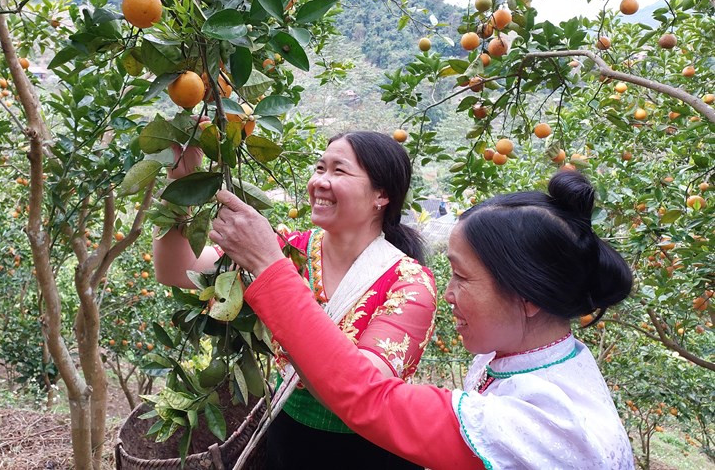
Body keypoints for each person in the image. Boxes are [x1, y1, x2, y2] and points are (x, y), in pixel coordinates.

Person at [210, 170, 635, 470]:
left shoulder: (542, 425)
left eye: (463, 278)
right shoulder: (532, 359)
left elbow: (368, 396)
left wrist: (269, 267)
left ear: (528, 297)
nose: (448, 294)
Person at [153, 131, 438, 469]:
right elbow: (176, 269)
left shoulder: (409, 283)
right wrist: (179, 187)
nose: (320, 181)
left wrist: (268, 267)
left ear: (381, 195)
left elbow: (361, 396)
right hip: (287, 439)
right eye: (320, 168)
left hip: (367, 453)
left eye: (339, 171)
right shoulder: (290, 249)